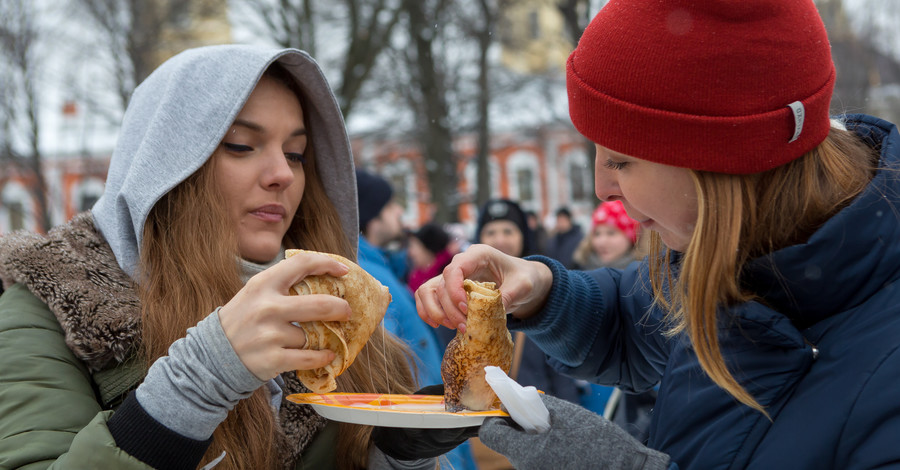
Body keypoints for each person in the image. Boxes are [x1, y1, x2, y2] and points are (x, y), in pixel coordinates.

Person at [413, 0, 900, 468]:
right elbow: (635, 320)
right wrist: (544, 292)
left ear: (723, 165)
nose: (603, 187)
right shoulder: (738, 255)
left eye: (622, 160)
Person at [0, 45, 439, 470]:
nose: (283, 174)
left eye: (296, 154)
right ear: (165, 166)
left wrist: (400, 457)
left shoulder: (334, 310)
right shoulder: (53, 306)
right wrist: (199, 381)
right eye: (241, 145)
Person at [355, 170, 476, 470]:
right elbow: (386, 374)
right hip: (419, 447)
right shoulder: (367, 277)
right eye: (390, 205)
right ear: (372, 217)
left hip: (429, 438)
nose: (399, 212)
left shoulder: (383, 268)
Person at [573, 200, 640, 270]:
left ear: (631, 237)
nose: (601, 241)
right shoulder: (578, 270)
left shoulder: (645, 276)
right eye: (597, 234)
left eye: (611, 233)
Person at [406, 222, 454, 293]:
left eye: (414, 247)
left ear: (428, 249)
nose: (410, 253)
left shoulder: (448, 278)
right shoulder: (416, 277)